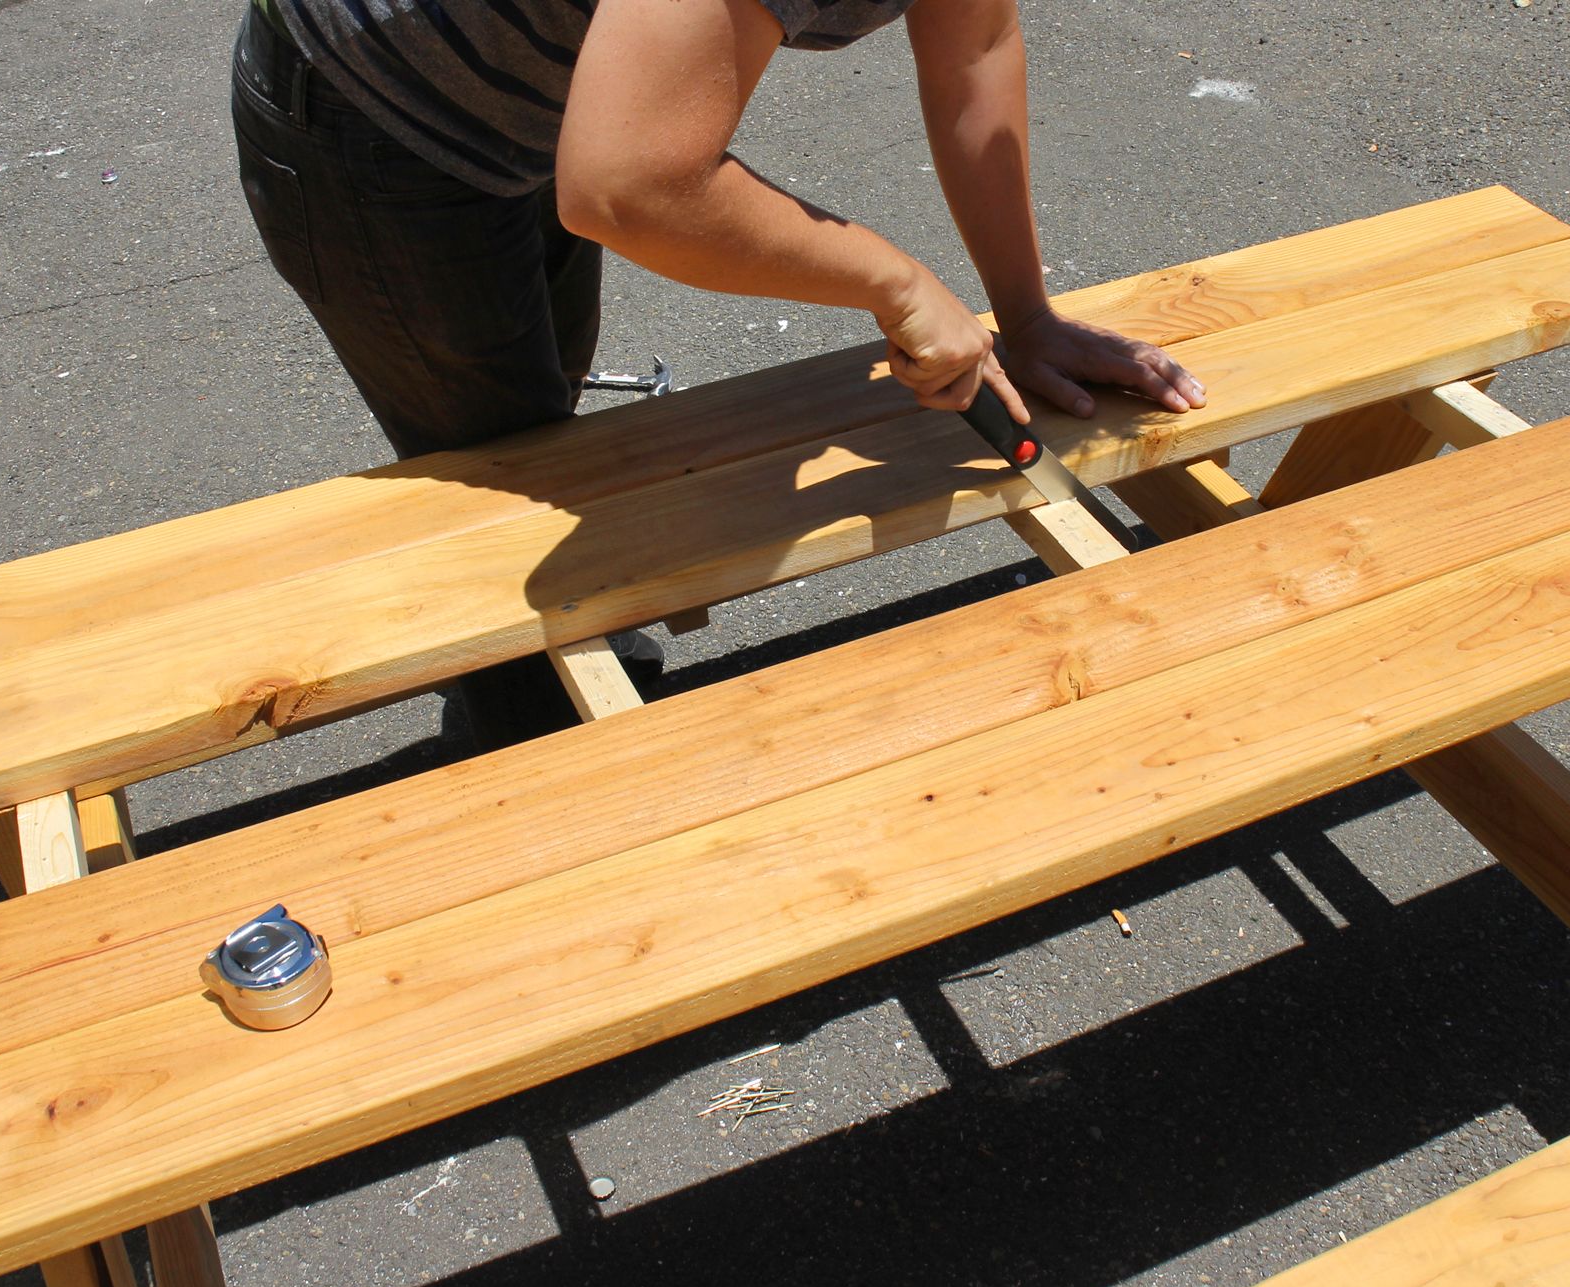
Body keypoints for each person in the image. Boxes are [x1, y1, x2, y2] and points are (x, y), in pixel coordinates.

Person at [232, 0, 1206, 748]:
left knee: (543, 438)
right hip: (371, 107)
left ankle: (575, 691)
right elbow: (628, 182)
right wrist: (896, 283)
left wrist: (1024, 313)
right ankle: (555, 827)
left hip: (533, 101)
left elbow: (974, 53)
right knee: (510, 489)